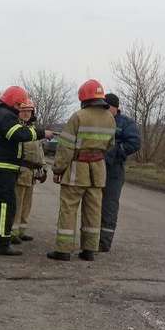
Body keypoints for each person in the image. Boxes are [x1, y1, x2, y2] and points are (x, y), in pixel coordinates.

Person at [47, 79, 116, 262]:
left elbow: (66, 147)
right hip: (98, 172)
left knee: (68, 210)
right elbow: (110, 145)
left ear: (83, 97)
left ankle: (63, 250)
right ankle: (89, 250)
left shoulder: (78, 116)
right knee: (93, 210)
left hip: (76, 171)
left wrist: (58, 168)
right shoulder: (110, 118)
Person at [0, 86, 52, 256]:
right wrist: (42, 133)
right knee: (6, 204)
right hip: (2, 167)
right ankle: (3, 244)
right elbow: (18, 134)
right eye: (20, 105)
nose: (21, 109)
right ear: (14, 102)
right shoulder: (6, 116)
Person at [99, 92, 141, 252]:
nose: (105, 110)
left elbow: (135, 143)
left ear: (116, 108)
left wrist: (114, 152)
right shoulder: (99, 121)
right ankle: (89, 239)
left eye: (108, 107)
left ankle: (104, 242)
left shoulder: (126, 123)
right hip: (96, 167)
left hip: (114, 170)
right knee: (93, 204)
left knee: (109, 205)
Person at [12, 99, 47, 243]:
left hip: (32, 173)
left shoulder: (33, 129)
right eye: (23, 111)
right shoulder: (17, 130)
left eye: (29, 111)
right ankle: (12, 233)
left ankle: (21, 231)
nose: (26, 114)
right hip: (21, 171)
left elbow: (40, 150)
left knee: (27, 204)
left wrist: (43, 167)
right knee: (17, 203)